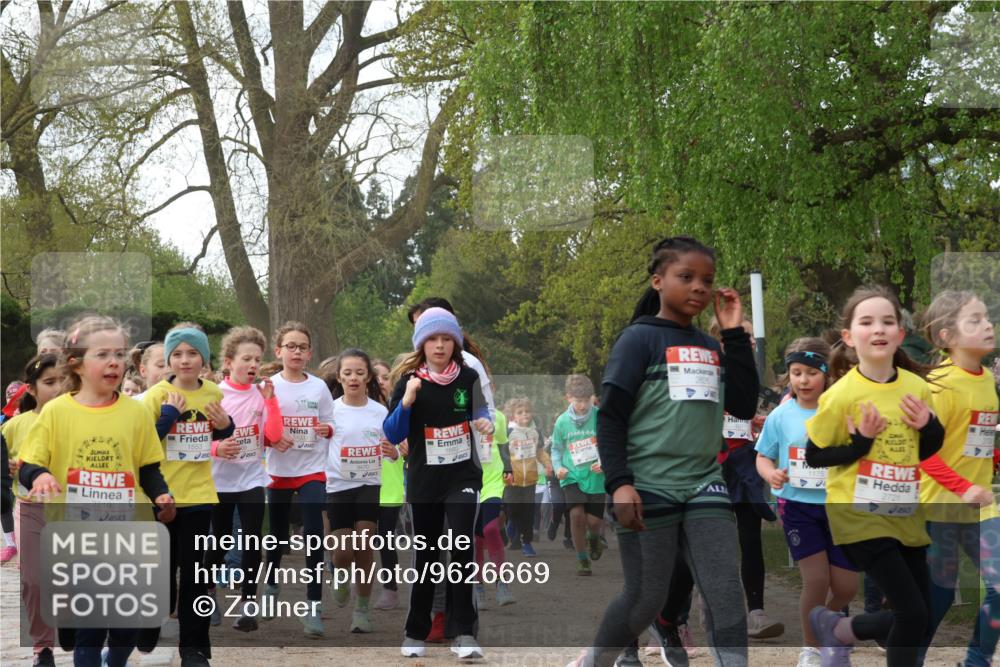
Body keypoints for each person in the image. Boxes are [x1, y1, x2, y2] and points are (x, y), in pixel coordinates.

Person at [572, 235, 760, 667]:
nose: (699, 287)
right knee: (644, 599)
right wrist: (619, 485)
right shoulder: (637, 341)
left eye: (707, 280)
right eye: (686, 277)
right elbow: (612, 417)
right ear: (658, 280)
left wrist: (732, 332)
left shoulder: (714, 348)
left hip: (704, 485)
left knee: (726, 593)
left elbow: (744, 405)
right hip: (647, 486)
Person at [18, 315, 176, 667]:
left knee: (125, 629)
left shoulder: (134, 414)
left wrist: (161, 495)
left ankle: (114, 659)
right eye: (102, 354)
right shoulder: (57, 412)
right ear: (76, 363)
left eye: (119, 354)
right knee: (90, 628)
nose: (114, 362)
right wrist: (41, 476)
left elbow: (149, 467)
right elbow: (28, 465)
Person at [805, 285, 944, 667]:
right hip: (858, 515)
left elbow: (928, 448)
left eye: (888, 321)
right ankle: (840, 630)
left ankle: (840, 630)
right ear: (849, 337)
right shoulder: (841, 395)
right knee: (912, 614)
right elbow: (815, 456)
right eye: (867, 322)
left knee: (920, 615)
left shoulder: (916, 388)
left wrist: (929, 426)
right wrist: (860, 443)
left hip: (905, 513)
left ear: (901, 333)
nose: (879, 328)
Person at [384, 307, 492, 660]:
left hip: (461, 477)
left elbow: (480, 412)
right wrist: (408, 400)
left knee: (461, 549)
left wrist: (484, 422)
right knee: (427, 556)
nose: (441, 345)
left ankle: (463, 633)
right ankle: (415, 631)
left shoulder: (467, 379)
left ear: (455, 343)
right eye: (433, 339)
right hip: (424, 480)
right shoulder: (409, 381)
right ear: (422, 344)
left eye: (447, 339)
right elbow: (393, 431)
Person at [755, 338, 859, 667]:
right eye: (796, 372)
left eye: (812, 373)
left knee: (846, 586)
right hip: (797, 506)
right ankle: (811, 647)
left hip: (839, 506)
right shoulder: (781, 416)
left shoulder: (841, 410)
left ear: (827, 375)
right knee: (815, 580)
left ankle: (826, 624)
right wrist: (771, 474)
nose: (803, 380)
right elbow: (763, 457)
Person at [142, 322, 234, 667]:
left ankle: (194, 649)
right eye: (177, 354)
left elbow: (222, 428)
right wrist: (169, 415)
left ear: (204, 360)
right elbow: (145, 444)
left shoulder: (213, 392)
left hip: (198, 496)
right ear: (168, 360)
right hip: (162, 498)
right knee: (161, 575)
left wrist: (226, 425)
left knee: (196, 576)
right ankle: (151, 621)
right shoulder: (154, 397)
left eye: (192, 353)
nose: (184, 360)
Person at [916, 290, 998, 667]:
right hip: (942, 507)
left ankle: (975, 661)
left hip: (981, 509)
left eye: (986, 317)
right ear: (946, 336)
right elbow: (923, 454)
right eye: (975, 320)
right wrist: (965, 488)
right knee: (939, 596)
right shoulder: (938, 385)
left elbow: (973, 443)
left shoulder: (985, 381)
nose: (988, 325)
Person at [259, 322, 335, 638]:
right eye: (290, 346)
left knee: (314, 532)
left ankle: (313, 606)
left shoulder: (318, 387)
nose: (296, 351)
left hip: (312, 469)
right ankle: (272, 584)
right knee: (277, 535)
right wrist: (271, 440)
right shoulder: (267, 385)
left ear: (309, 354)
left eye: (302, 347)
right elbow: (256, 426)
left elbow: (332, 422)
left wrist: (325, 430)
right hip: (278, 470)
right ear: (278, 351)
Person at [204, 326, 282, 633]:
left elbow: (274, 436)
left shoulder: (261, 395)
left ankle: (248, 603)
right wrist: (216, 447)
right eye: (246, 359)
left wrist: (272, 401)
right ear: (228, 362)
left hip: (251, 478)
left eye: (257, 360)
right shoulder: (214, 395)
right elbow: (196, 440)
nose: (253, 365)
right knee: (219, 541)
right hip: (218, 481)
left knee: (252, 540)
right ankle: (208, 593)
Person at [711, 317, 784, 640]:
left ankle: (756, 612)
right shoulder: (707, 371)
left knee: (750, 538)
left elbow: (758, 417)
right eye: (746, 337)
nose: (753, 343)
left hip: (747, 466)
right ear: (722, 340)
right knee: (713, 541)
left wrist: (759, 423)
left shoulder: (754, 376)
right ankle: (708, 608)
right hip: (711, 465)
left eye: (754, 337)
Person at [325, 348, 397, 633]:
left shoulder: (380, 411)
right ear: (339, 377)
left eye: (359, 373)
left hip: (369, 484)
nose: (353, 378)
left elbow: (393, 448)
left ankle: (362, 610)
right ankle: (341, 575)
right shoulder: (330, 410)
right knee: (343, 552)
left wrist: (392, 452)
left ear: (368, 377)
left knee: (365, 544)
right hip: (338, 486)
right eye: (347, 373)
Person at [2, 354, 61, 666]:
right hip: (30, 509)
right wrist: (8, 468)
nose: (57, 388)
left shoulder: (79, 420)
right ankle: (43, 647)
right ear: (32, 389)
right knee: (34, 580)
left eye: (62, 381)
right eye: (49, 382)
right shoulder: (14, 426)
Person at [552, 376, 605, 576]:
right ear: (568, 398)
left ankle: (594, 537)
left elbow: (609, 442)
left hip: (595, 476)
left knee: (593, 522)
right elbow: (556, 449)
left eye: (586, 400)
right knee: (576, 515)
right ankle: (582, 559)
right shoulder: (562, 421)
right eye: (578, 400)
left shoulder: (600, 417)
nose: (583, 405)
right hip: (571, 475)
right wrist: (558, 467)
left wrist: (604, 462)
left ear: (592, 398)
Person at [372, 358, 406, 611]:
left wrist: (398, 452)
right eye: (376, 378)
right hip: (358, 482)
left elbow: (410, 448)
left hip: (389, 483)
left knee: (385, 539)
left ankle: (390, 588)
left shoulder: (400, 409)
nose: (380, 382)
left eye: (385, 377)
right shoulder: (356, 408)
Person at [475, 405, 515, 606]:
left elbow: (503, 444)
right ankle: (478, 585)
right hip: (468, 482)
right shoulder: (457, 412)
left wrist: (508, 469)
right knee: (475, 539)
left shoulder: (497, 416)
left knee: (490, 528)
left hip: (493, 480)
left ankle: (502, 583)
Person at [503, 397, 550, 557]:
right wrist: (505, 472)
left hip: (530, 480)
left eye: (527, 411)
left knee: (528, 513)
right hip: (512, 480)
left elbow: (540, 452)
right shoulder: (508, 433)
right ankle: (511, 524)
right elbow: (503, 455)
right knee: (512, 509)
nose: (525, 415)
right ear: (513, 416)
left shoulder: (535, 433)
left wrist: (548, 464)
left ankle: (527, 543)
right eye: (520, 412)